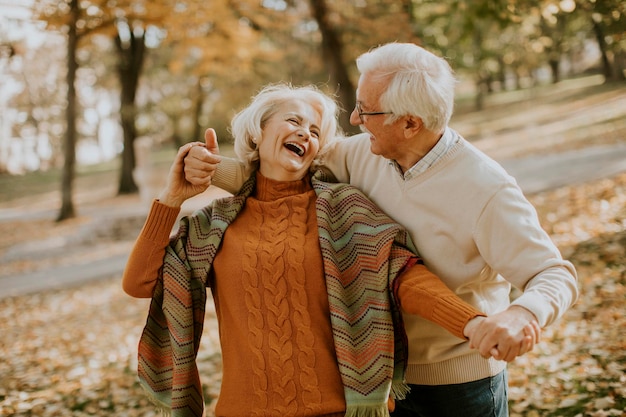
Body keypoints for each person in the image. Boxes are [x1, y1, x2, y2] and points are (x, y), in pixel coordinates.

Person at [183, 43, 578, 417]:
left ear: (409, 123)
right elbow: (283, 173)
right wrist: (209, 168)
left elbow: (553, 273)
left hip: (460, 384)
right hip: (377, 382)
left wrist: (523, 312)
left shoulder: (486, 188)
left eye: (366, 111)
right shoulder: (361, 154)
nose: (353, 121)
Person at [122, 84, 507, 417]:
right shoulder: (213, 225)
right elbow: (140, 283)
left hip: (339, 410)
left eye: (315, 131)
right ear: (257, 132)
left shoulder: (344, 208)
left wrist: (472, 323)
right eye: (293, 122)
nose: (305, 134)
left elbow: (403, 276)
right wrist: (172, 198)